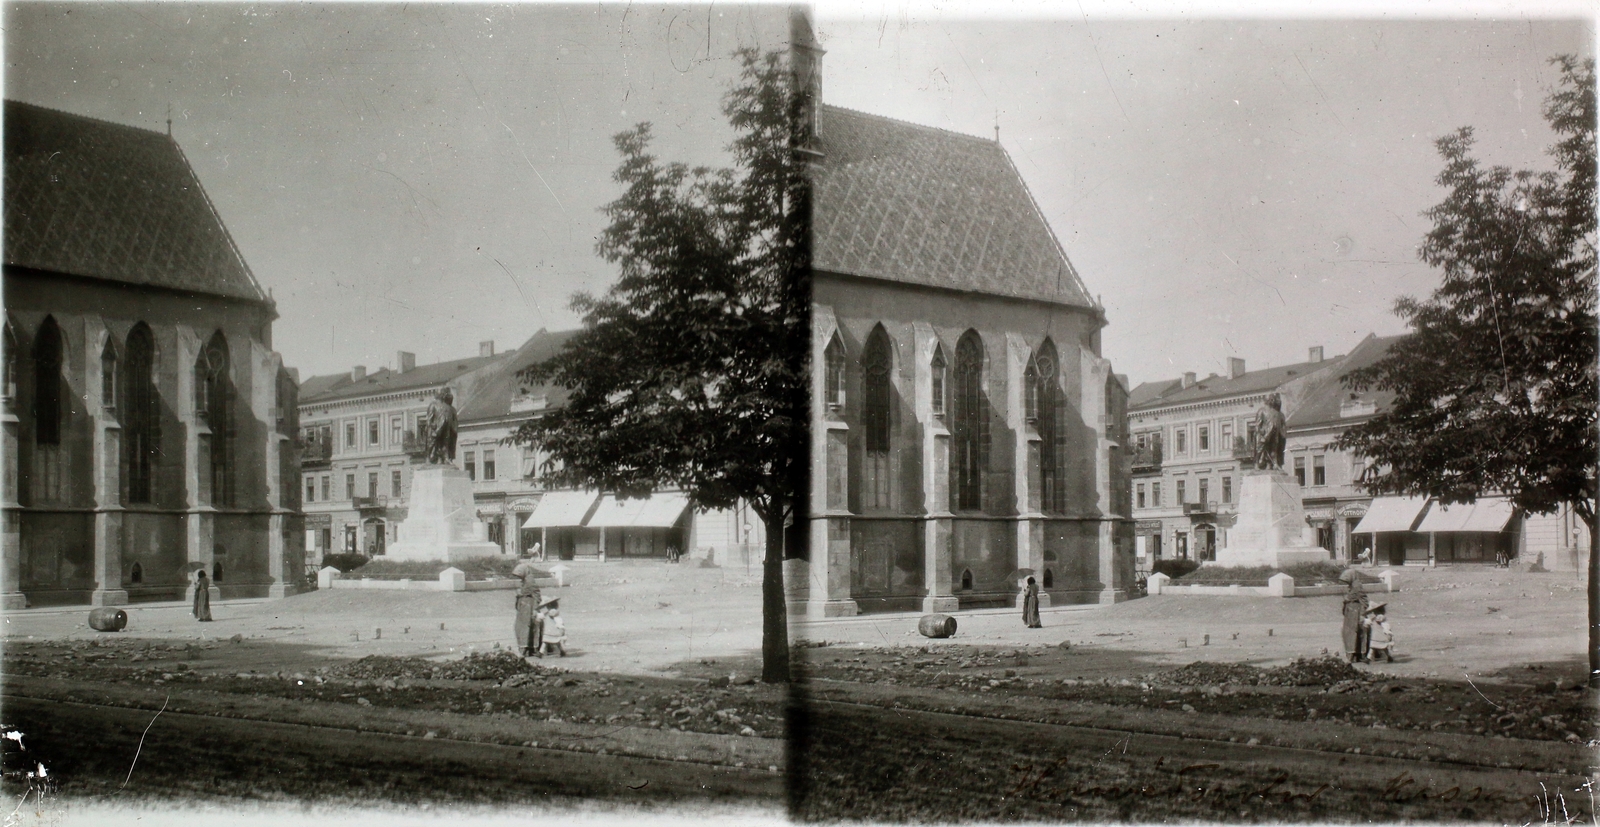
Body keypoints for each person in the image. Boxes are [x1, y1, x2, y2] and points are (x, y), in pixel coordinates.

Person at [512, 554, 543, 656]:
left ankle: (527, 648)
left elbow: (537, 595)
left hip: (529, 607)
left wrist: (535, 609)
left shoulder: (530, 582)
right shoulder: (525, 581)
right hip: (523, 607)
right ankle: (526, 647)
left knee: (526, 627)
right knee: (521, 627)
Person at [1340, 568, 1368, 663]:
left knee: (1354, 633)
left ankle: (1355, 655)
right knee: (1349, 633)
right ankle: (1354, 654)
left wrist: (1362, 614)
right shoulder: (1351, 586)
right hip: (1350, 613)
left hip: (1356, 612)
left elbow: (1364, 601)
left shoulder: (1357, 586)